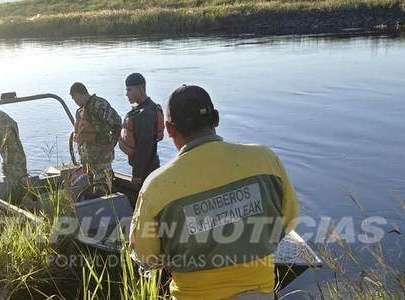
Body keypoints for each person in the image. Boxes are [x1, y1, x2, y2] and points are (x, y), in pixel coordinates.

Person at [129, 85, 299, 299]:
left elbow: (146, 256)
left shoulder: (156, 185)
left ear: (170, 129)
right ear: (216, 119)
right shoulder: (265, 159)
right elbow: (289, 221)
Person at [70, 82, 122, 196]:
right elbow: (82, 138)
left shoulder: (99, 105)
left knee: (102, 190)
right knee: (93, 187)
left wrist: (111, 144)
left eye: (74, 98)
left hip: (102, 157)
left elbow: (117, 123)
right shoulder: (82, 110)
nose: (75, 102)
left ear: (78, 94)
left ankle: (106, 210)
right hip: (90, 159)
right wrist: (83, 161)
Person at [119, 73, 161, 189]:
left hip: (146, 169)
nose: (126, 94)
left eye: (129, 90)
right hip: (149, 165)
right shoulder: (149, 107)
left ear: (139, 89)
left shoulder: (146, 114)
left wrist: (137, 173)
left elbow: (144, 145)